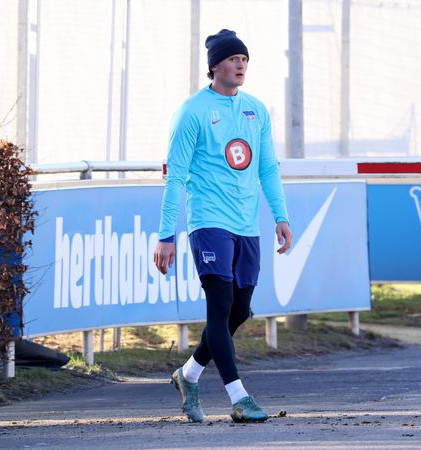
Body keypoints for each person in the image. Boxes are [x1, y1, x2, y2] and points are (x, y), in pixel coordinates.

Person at [154, 29, 293, 424]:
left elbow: (267, 167)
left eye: (245, 60)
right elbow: (176, 177)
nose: (240, 64)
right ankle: (239, 397)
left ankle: (189, 374)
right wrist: (167, 234)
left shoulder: (257, 110)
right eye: (233, 59)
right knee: (219, 304)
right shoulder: (192, 112)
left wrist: (280, 217)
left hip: (246, 225)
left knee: (240, 309)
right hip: (209, 221)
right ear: (215, 65)